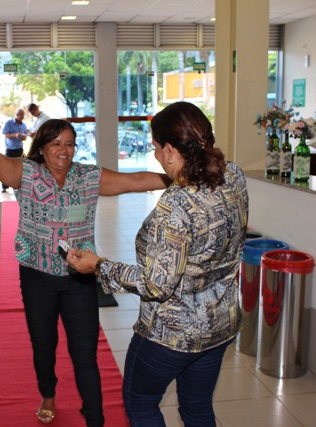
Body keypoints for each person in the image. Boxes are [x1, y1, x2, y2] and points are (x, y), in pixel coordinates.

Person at [0, 115, 171, 426]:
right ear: (42, 147)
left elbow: (134, 181)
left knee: (85, 353)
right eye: (56, 144)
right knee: (44, 343)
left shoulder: (88, 177)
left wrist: (180, 179)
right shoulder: (26, 173)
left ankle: (95, 417)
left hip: (79, 279)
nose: (64, 151)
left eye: (69, 144)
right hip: (37, 276)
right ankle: (48, 394)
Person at [66, 101, 249, 427]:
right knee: (197, 409)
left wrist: (100, 266)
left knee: (140, 403)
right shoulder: (233, 175)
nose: (154, 156)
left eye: (154, 148)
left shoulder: (176, 205)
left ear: (168, 150)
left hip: (171, 335)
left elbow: (156, 284)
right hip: (221, 324)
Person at [0, 108, 28, 192]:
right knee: (6, 168)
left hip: (19, 149)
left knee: (19, 168)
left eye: (23, 115)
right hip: (10, 149)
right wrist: (16, 135)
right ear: (17, 115)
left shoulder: (23, 125)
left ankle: (17, 185)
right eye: (21, 115)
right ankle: (4, 186)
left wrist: (23, 137)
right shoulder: (9, 123)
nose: (23, 117)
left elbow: (25, 136)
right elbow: (6, 134)